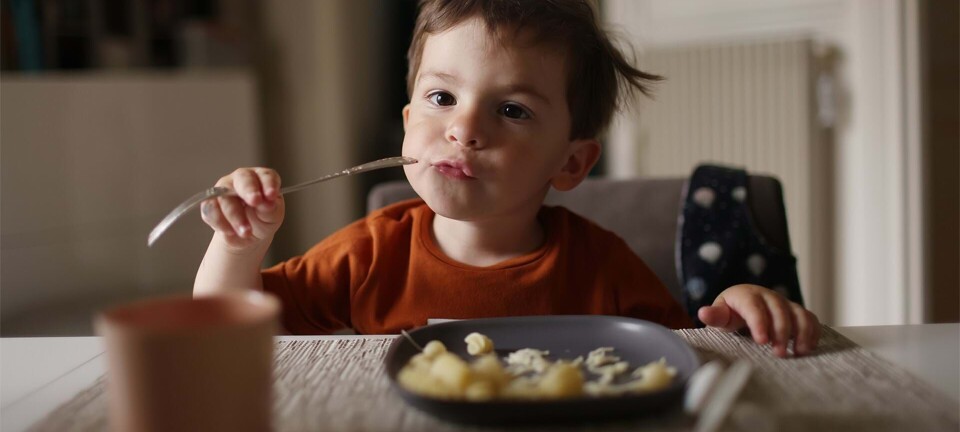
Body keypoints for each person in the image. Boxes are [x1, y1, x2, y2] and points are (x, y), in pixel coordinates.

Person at [194, 0, 820, 358]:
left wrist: (735, 315)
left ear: (571, 163)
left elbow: (686, 359)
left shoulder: (600, 268)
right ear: (409, 123)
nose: (464, 130)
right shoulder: (368, 255)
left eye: (512, 110)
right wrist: (239, 244)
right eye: (442, 98)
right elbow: (223, 331)